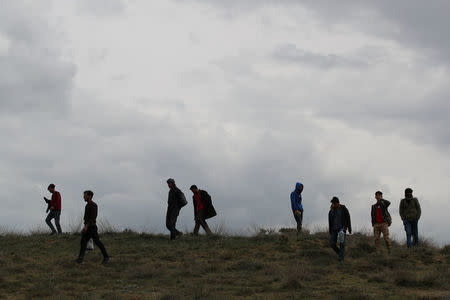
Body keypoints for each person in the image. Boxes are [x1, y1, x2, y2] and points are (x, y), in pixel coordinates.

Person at [75, 190, 109, 264]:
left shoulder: (93, 205)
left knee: (97, 242)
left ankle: (106, 257)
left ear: (89, 196)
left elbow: (92, 218)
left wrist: (86, 226)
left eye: (85, 195)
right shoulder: (87, 205)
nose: (83, 197)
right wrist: (85, 226)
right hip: (88, 227)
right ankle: (80, 259)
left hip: (92, 227)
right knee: (83, 241)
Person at [328, 197, 351, 262]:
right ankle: (340, 254)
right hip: (334, 230)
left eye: (333, 203)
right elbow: (330, 221)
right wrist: (330, 231)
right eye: (332, 203)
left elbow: (348, 217)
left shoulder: (343, 208)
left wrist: (349, 228)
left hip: (342, 229)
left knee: (342, 244)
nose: (333, 204)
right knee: (332, 244)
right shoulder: (331, 211)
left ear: (337, 203)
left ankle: (341, 259)